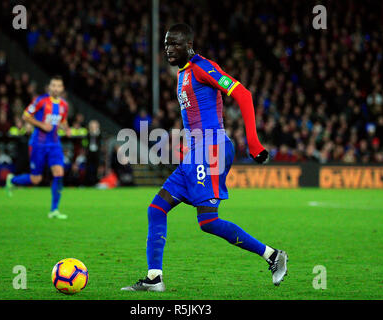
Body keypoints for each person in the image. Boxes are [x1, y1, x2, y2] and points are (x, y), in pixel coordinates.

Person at [122, 24, 287, 292]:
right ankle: (154, 278)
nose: (168, 49)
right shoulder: (183, 73)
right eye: (165, 44)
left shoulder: (202, 67)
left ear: (188, 45)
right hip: (194, 154)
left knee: (208, 221)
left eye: (174, 44)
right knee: (156, 209)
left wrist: (254, 144)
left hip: (212, 150)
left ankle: (273, 255)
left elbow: (243, 95)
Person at [5, 75, 70, 219]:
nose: (55, 88)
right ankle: (12, 180)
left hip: (54, 144)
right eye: (53, 85)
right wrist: (41, 125)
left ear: (62, 88)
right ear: (49, 87)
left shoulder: (64, 105)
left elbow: (63, 120)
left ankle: (54, 210)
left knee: (59, 173)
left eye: (58, 86)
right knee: (36, 179)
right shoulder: (41, 101)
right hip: (38, 144)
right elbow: (26, 115)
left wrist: (67, 129)